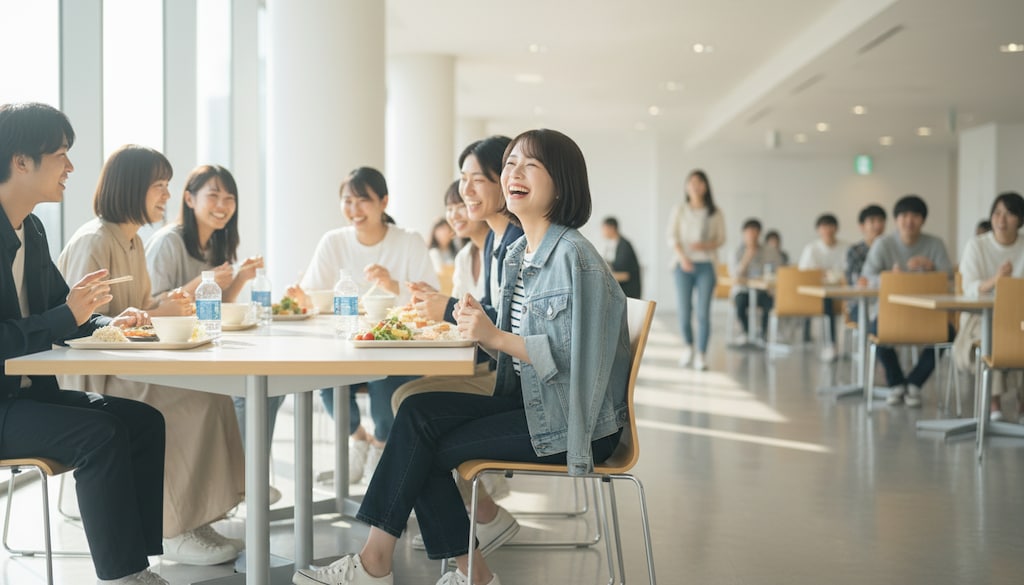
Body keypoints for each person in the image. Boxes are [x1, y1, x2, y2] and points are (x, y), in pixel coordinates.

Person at [293, 128, 630, 585]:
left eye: (529, 165)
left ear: (563, 181)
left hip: (576, 424)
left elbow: (571, 365)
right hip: (535, 403)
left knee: (421, 445)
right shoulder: (521, 252)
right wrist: (482, 326)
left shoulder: (572, 256)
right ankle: (438, 572)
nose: (514, 173)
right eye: (510, 164)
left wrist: (492, 335)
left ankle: (390, 567)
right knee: (415, 411)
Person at [0, 102, 167, 585]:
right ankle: (123, 576)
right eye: (61, 155)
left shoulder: (30, 229)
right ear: (21, 161)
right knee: (101, 434)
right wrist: (66, 315)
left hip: (28, 397)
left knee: (142, 420)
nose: (70, 168)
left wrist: (112, 323)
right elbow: (53, 317)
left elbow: (63, 313)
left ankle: (136, 565)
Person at [57, 145, 245, 566]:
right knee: (191, 400)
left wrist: (165, 308)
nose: (166, 195)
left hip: (127, 362)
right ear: (132, 188)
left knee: (211, 394)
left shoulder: (133, 241)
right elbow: (79, 324)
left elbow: (140, 310)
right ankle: (171, 525)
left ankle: (196, 515)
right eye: (158, 186)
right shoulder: (94, 240)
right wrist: (159, 312)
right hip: (96, 373)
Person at [399, 139, 526, 557]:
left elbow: (508, 325)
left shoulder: (519, 243)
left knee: (411, 408)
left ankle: (478, 519)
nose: (465, 192)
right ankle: (480, 518)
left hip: (515, 383)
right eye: (462, 180)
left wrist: (450, 309)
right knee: (408, 401)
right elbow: (493, 313)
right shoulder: (493, 241)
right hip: (503, 370)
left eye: (477, 180)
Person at [289, 167, 437, 484]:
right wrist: (301, 297)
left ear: (383, 201)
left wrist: (392, 284)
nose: (354, 210)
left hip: (395, 345)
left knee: (384, 373)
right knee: (323, 374)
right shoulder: (333, 242)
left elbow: (432, 297)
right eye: (347, 201)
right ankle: (358, 438)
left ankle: (382, 444)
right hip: (344, 345)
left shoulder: (408, 241)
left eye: (363, 200)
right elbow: (313, 296)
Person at [145, 164, 283, 502]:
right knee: (249, 389)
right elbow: (151, 308)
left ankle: (246, 474)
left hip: (205, 346)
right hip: (171, 353)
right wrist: (202, 282)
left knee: (272, 386)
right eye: (214, 195)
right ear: (189, 199)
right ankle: (240, 478)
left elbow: (217, 306)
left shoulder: (217, 243)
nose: (223, 204)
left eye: (230, 198)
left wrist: (240, 280)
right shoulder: (167, 242)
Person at [861, 194, 954, 407]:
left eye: (915, 215)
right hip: (890, 312)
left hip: (929, 314)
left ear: (923, 219)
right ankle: (896, 383)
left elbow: (949, 280)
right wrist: (890, 277)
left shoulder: (935, 244)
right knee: (875, 330)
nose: (909, 220)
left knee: (948, 333)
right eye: (903, 215)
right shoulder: (883, 244)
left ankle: (914, 383)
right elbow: (866, 278)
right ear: (896, 219)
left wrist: (931, 268)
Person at [954, 192, 1024, 422]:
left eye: (1010, 214)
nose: (1001, 220)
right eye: (997, 213)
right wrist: (996, 280)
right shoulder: (977, 245)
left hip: (1019, 318)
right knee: (995, 335)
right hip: (980, 318)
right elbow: (968, 288)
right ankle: (994, 403)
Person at [667, 169, 726, 370]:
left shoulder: (714, 212)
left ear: (706, 186)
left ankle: (701, 353)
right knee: (684, 311)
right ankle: (688, 347)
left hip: (706, 266)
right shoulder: (680, 210)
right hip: (682, 265)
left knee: (703, 312)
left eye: (699, 182)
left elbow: (721, 238)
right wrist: (683, 258)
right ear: (686, 186)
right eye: (691, 182)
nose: (695, 185)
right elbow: (671, 237)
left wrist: (706, 245)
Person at [797, 213, 848, 361]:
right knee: (827, 301)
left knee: (837, 302)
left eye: (830, 226)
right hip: (816, 293)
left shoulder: (846, 247)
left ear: (836, 229)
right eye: (823, 227)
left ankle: (843, 346)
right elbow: (803, 273)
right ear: (818, 230)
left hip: (842, 291)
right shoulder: (811, 249)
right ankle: (830, 344)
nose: (827, 230)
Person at [730, 219, 781, 343]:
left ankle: (762, 334)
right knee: (740, 303)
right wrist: (748, 256)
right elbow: (735, 276)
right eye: (749, 233)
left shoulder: (770, 250)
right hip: (744, 290)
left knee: (769, 303)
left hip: (763, 290)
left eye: (755, 232)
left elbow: (779, 270)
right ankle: (746, 333)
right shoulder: (737, 252)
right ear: (743, 234)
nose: (752, 235)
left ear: (759, 233)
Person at [601, 216, 642, 298]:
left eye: (603, 229)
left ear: (611, 228)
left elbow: (625, 275)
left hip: (629, 293)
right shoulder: (615, 244)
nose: (602, 232)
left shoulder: (624, 246)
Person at [846, 204, 887, 286]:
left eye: (880, 220)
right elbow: (853, 280)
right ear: (862, 226)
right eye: (872, 221)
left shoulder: (889, 248)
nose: (877, 225)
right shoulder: (855, 250)